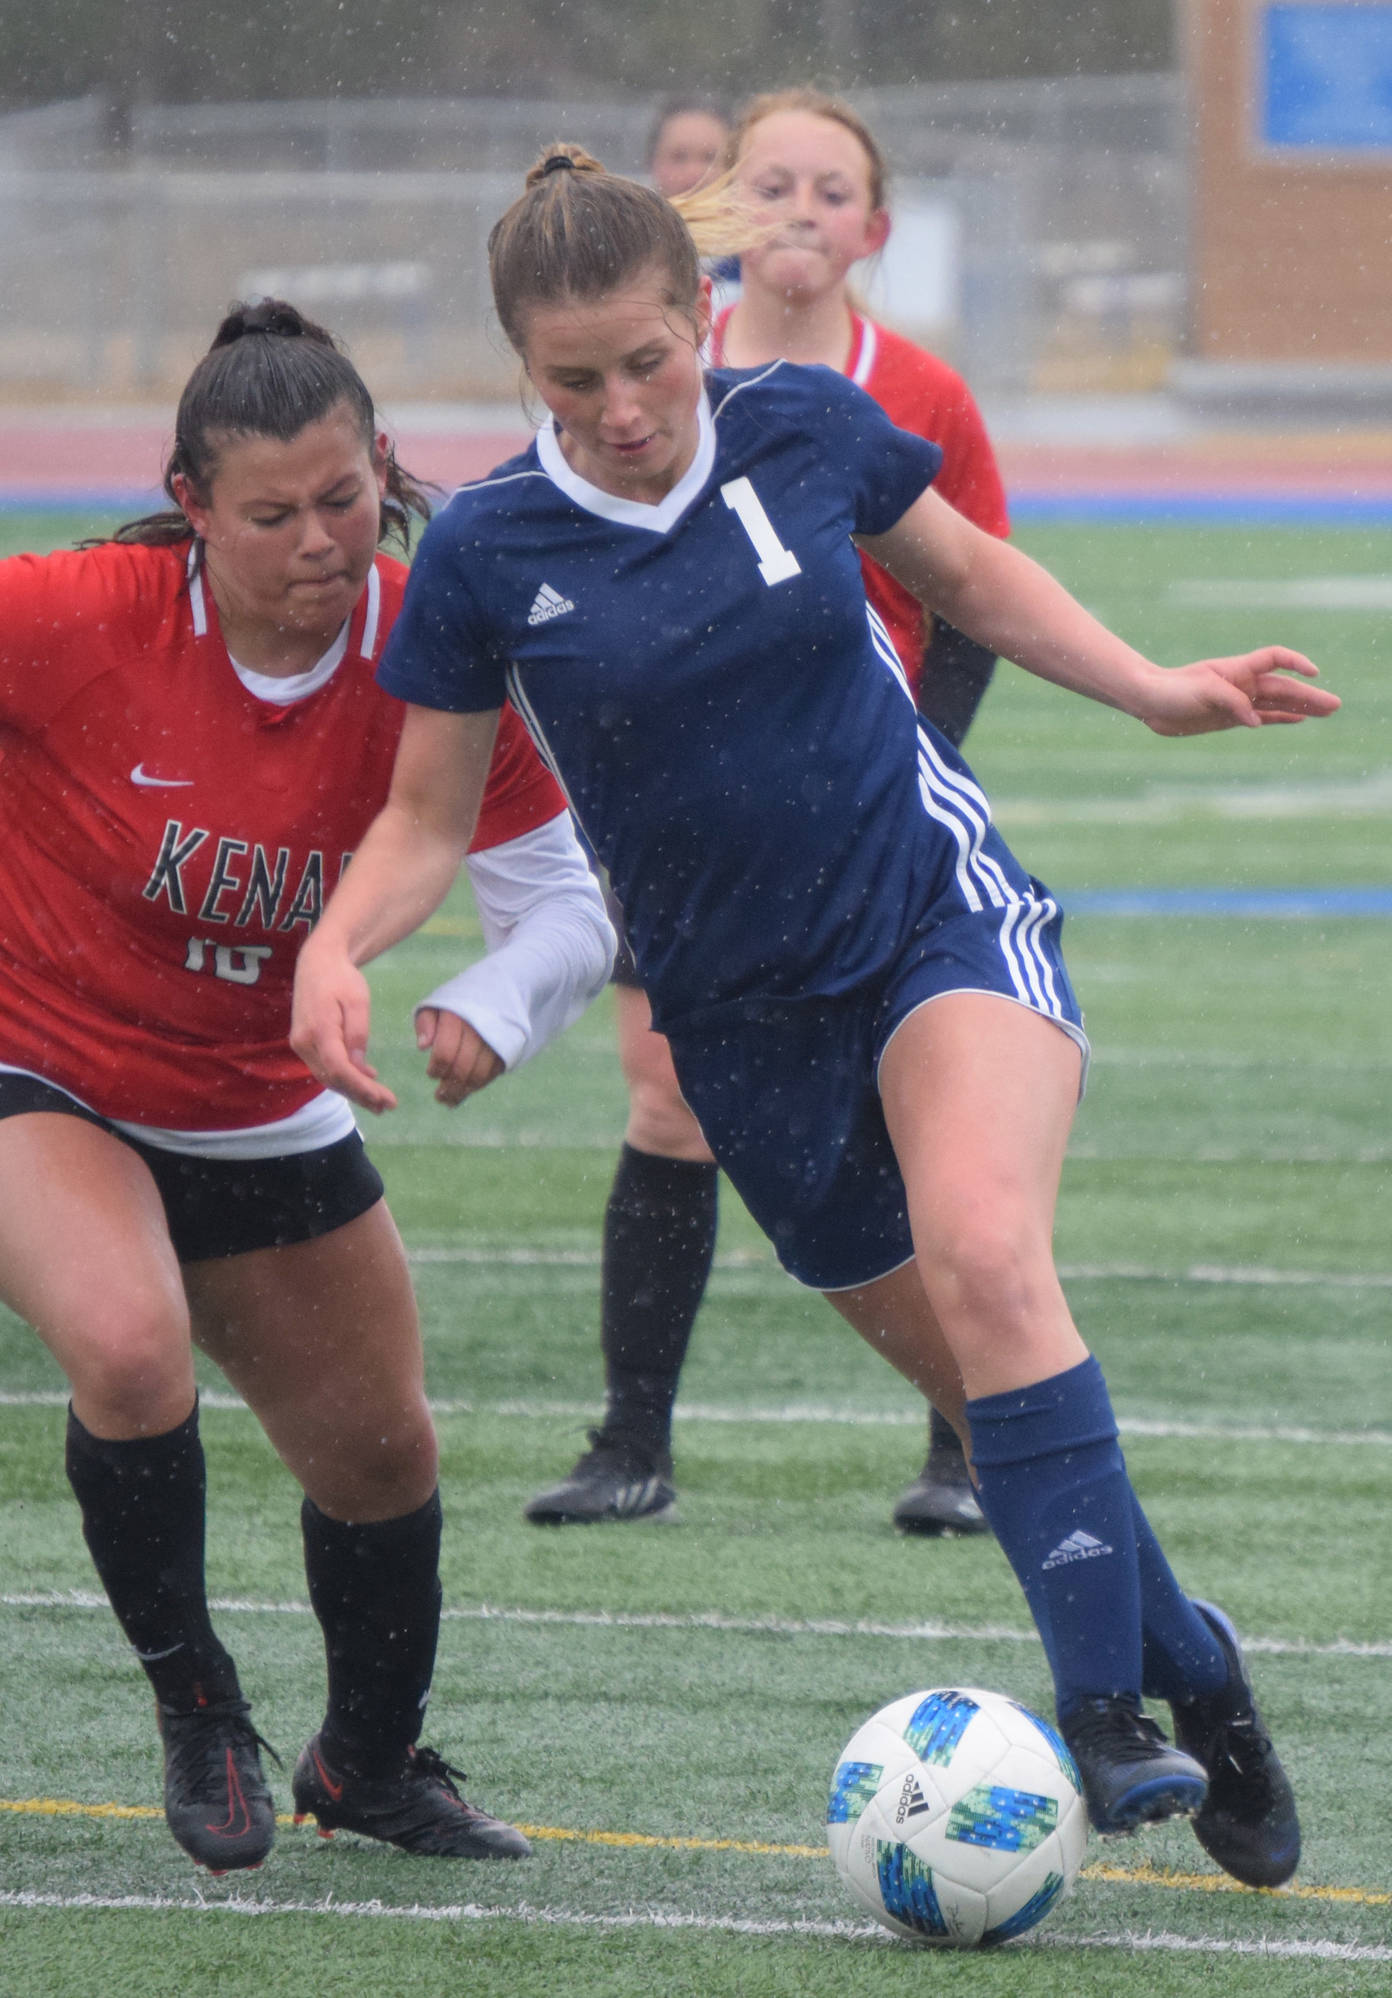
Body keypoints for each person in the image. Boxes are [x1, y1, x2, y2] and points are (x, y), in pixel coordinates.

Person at [293, 149, 1325, 1885]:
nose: (622, 407)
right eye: (573, 380)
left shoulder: (798, 429)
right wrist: (341, 947)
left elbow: (973, 577)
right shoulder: (482, 549)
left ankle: (1100, 1718)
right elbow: (422, 814)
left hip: (933, 921)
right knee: (1001, 1399)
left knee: (992, 1262)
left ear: (697, 318)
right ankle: (1196, 1669)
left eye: (647, 360)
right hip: (739, 1030)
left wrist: (1156, 690)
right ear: (517, 373)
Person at [0, 302, 614, 1874]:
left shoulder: (433, 643)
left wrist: (495, 1003)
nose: (322, 541)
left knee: (383, 1455)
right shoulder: (84, 610)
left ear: (383, 471)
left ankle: (367, 1764)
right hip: (7, 1058)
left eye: (345, 499)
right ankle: (199, 1703)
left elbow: (565, 898)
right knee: (127, 1340)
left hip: (254, 1103)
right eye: (271, 514)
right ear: (189, 502)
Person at [525, 89, 1009, 1535]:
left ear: (876, 226)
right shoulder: (646, 370)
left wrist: (922, 757)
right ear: (721, 209)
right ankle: (632, 1443)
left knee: (914, 1107)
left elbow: (974, 595)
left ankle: (969, 1442)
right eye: (772, 183)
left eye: (831, 189)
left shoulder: (915, 393)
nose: (800, 210)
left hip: (863, 821)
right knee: (671, 1102)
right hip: (677, 819)